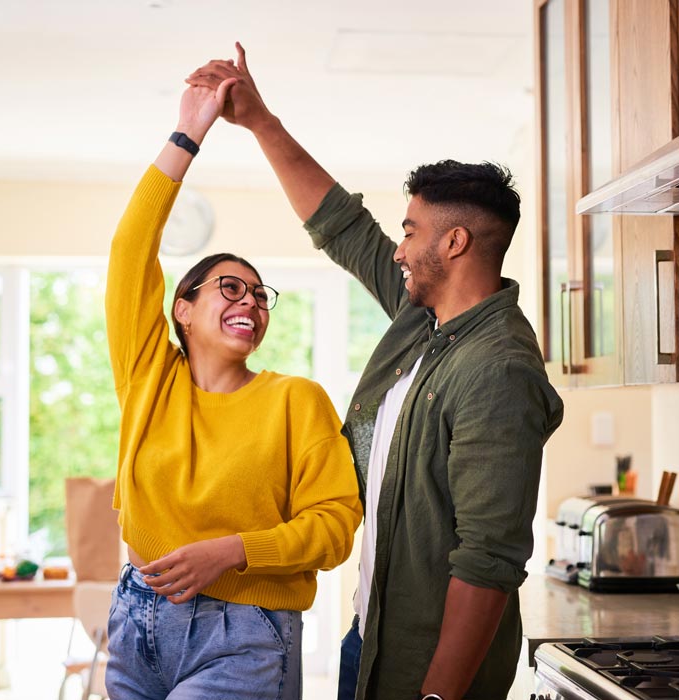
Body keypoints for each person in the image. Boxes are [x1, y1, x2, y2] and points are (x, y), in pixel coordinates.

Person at [186, 44, 565, 700]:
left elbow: (488, 564)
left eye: (411, 231)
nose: (398, 247)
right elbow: (343, 226)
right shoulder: (427, 319)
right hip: (373, 636)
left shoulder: (497, 372)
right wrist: (259, 120)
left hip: (427, 668)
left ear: (453, 244)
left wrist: (437, 698)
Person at [104, 72, 362, 700]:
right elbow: (130, 251)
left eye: (259, 293)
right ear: (182, 310)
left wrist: (232, 552)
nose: (251, 300)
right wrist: (189, 131)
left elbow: (334, 525)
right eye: (229, 286)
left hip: (245, 635)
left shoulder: (294, 400)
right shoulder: (149, 379)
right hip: (136, 620)